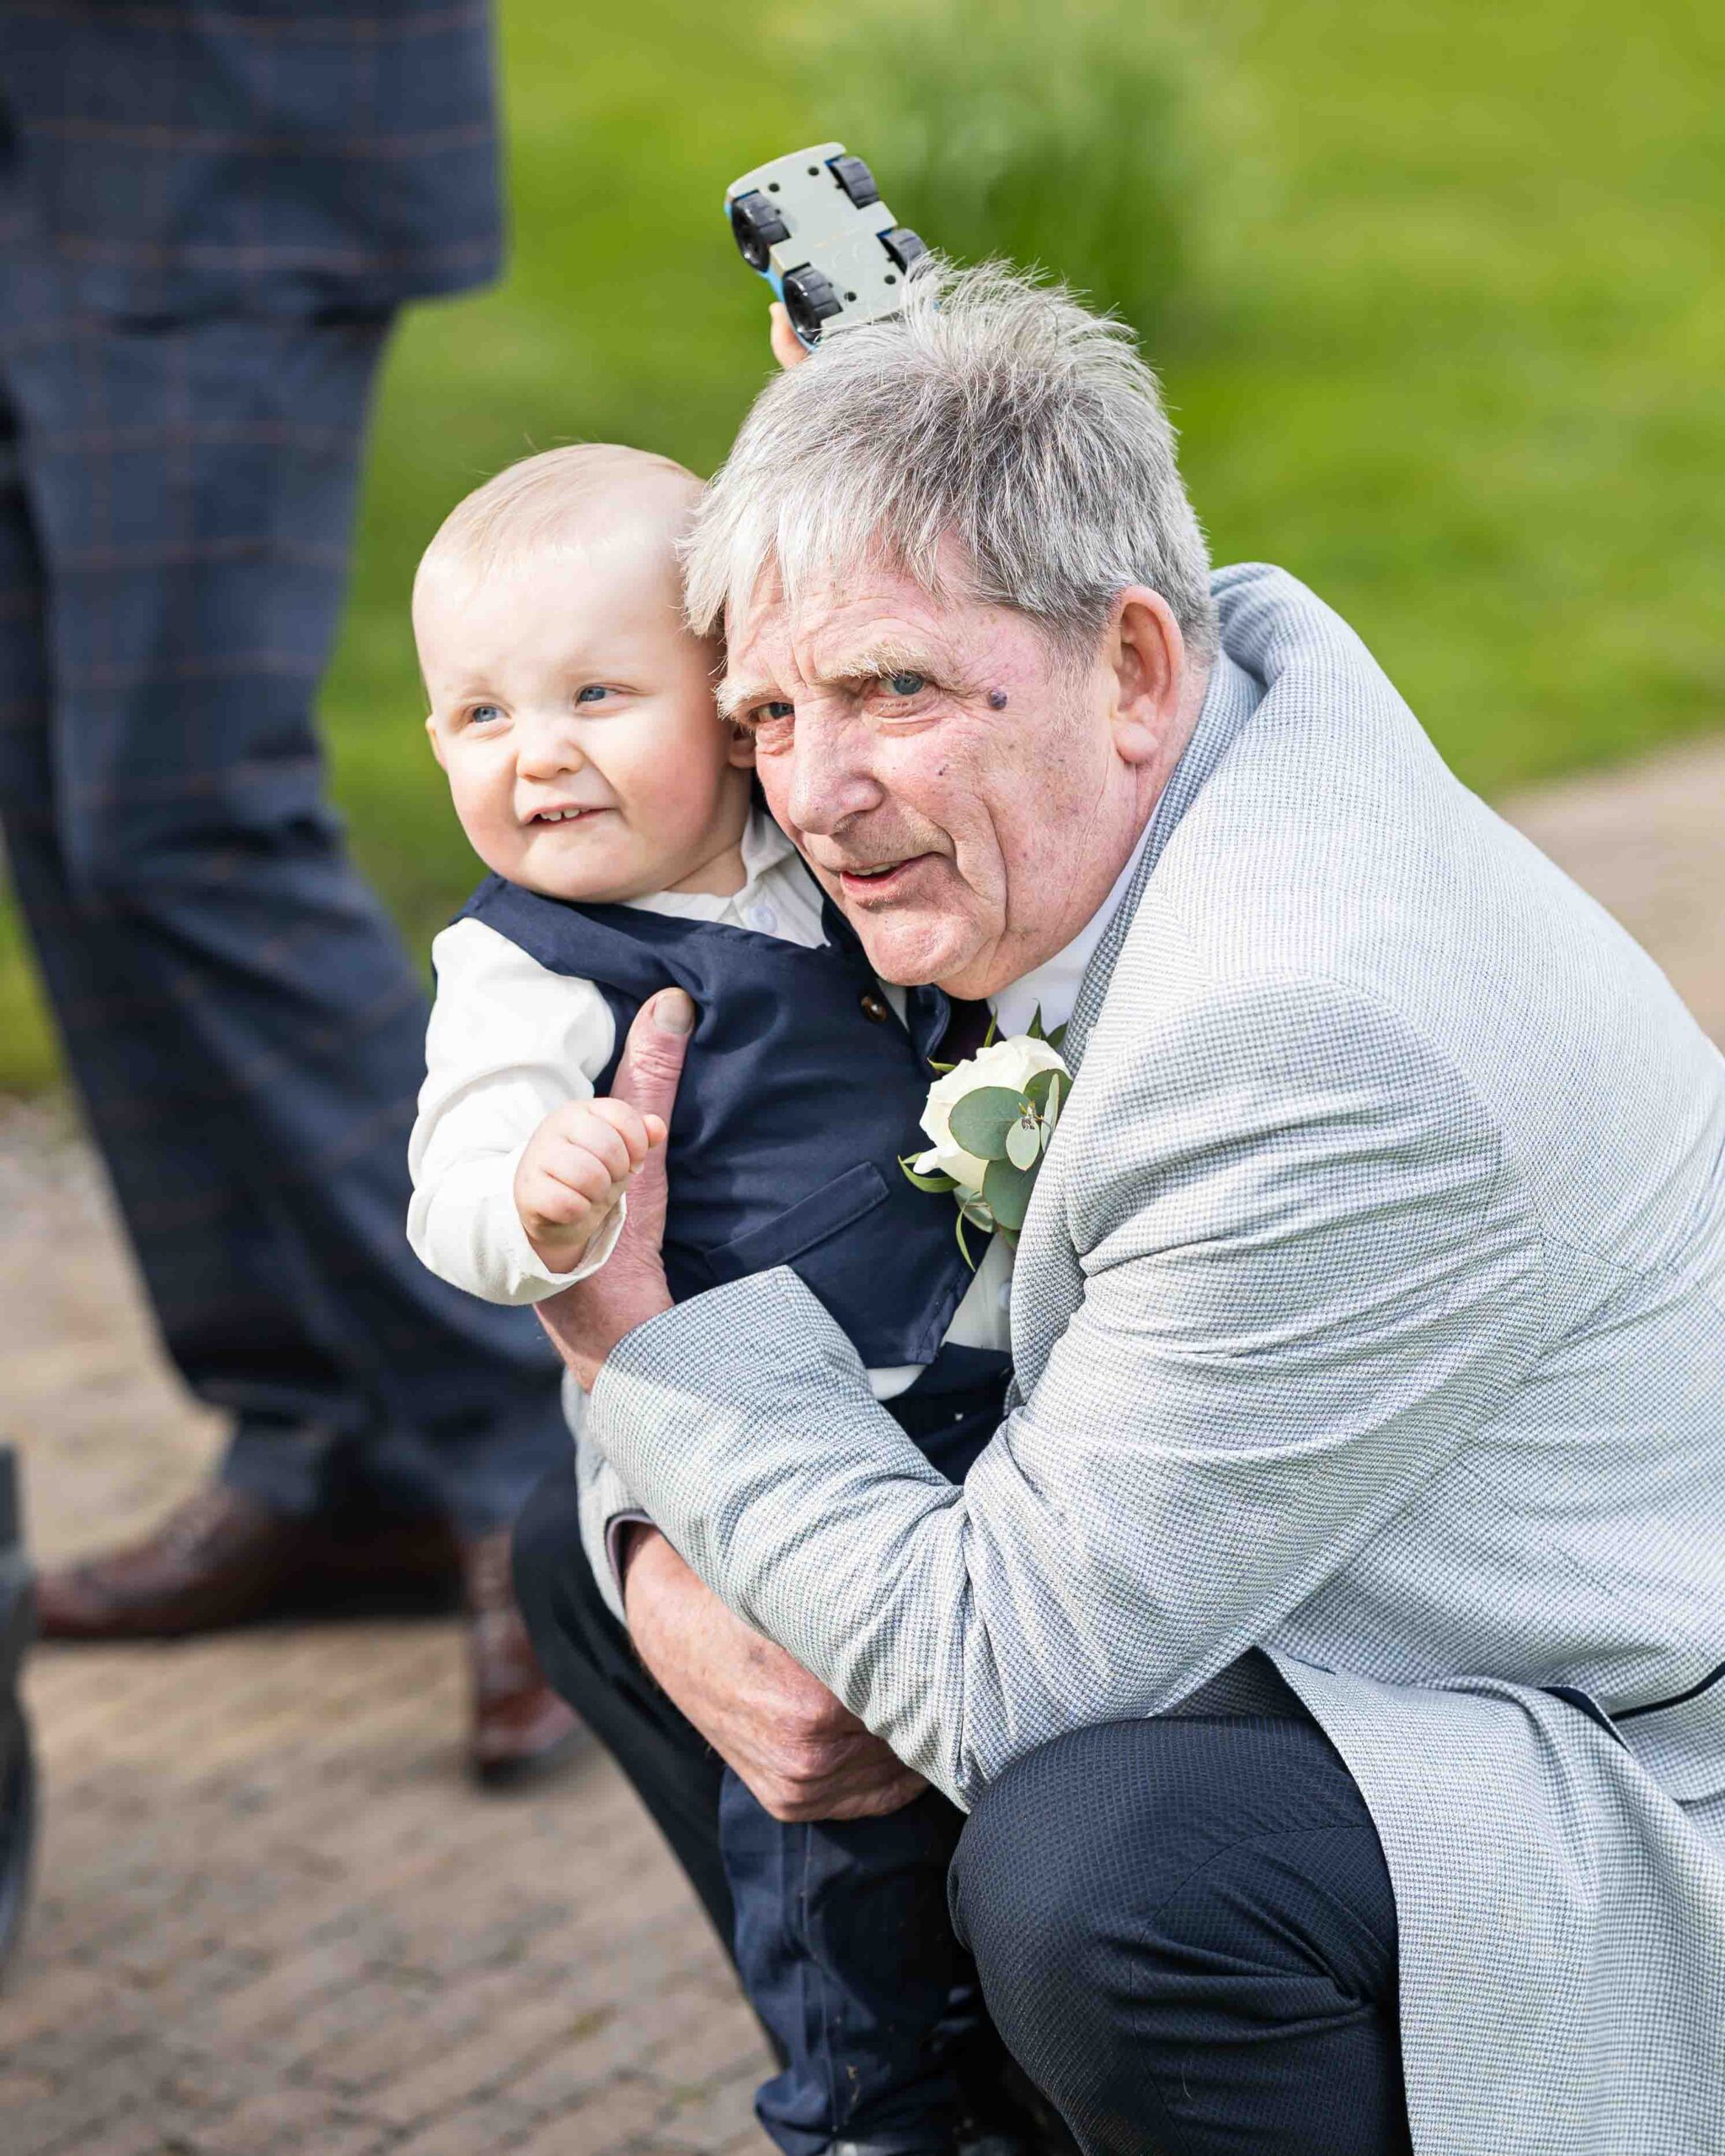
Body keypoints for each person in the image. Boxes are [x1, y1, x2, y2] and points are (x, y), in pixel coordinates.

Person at [515, 260, 1725, 2156]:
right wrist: (657, 1482)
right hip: (1284, 1583)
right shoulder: (1128, 746)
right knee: (602, 1543)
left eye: (891, 688)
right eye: (762, 713)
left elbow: (994, 1682)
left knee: (1111, 1870)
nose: (815, 797)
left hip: (1606, 1740)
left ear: (1138, 668)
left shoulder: (1308, 1033)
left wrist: (635, 1348)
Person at [407, 441, 1041, 2154]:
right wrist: (536, 1198)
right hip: (791, 1455)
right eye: (479, 715)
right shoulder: (528, 965)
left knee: (998, 1788)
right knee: (839, 1863)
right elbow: (455, 1179)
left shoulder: (811, 840)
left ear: (734, 702)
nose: (537, 754)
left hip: (993, 1398)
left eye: (596, 695)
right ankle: (861, 2113)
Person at [0, 2, 576, 1781]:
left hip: (210, 127)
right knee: (63, 810)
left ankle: (547, 1444)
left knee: (183, 814)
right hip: (46, 142)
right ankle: (331, 1440)